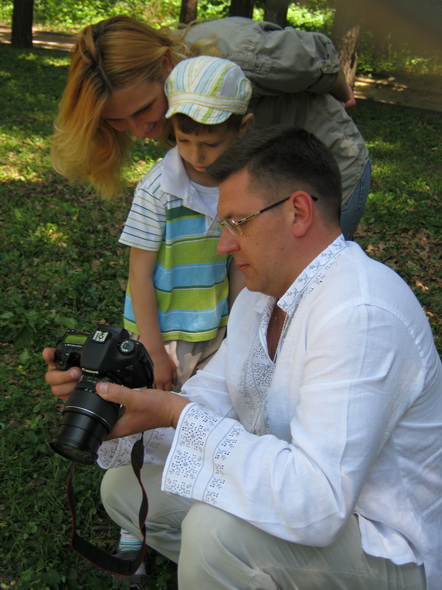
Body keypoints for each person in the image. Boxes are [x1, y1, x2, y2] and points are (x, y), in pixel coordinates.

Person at [45, 126, 441, 590]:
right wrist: (123, 403)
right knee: (126, 490)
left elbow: (319, 503)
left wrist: (176, 414)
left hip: (386, 540)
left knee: (215, 536)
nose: (224, 245)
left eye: (237, 222)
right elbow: (213, 396)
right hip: (303, 494)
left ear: (297, 211)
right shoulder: (260, 297)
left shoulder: (360, 312)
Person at [50, 14, 370, 239]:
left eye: (144, 109)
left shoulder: (239, 56)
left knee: (308, 284)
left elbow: (315, 56)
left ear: (165, 66)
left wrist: (340, 87)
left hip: (331, 167)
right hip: (273, 178)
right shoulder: (166, 98)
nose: (139, 131)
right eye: (117, 121)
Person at [120, 55, 252, 393]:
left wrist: (238, 329)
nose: (196, 155)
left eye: (211, 144)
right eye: (184, 139)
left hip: (216, 330)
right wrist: (152, 351)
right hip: (163, 337)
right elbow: (139, 274)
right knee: (156, 428)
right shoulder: (157, 189)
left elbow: (238, 264)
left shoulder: (241, 187)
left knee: (205, 414)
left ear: (242, 129)